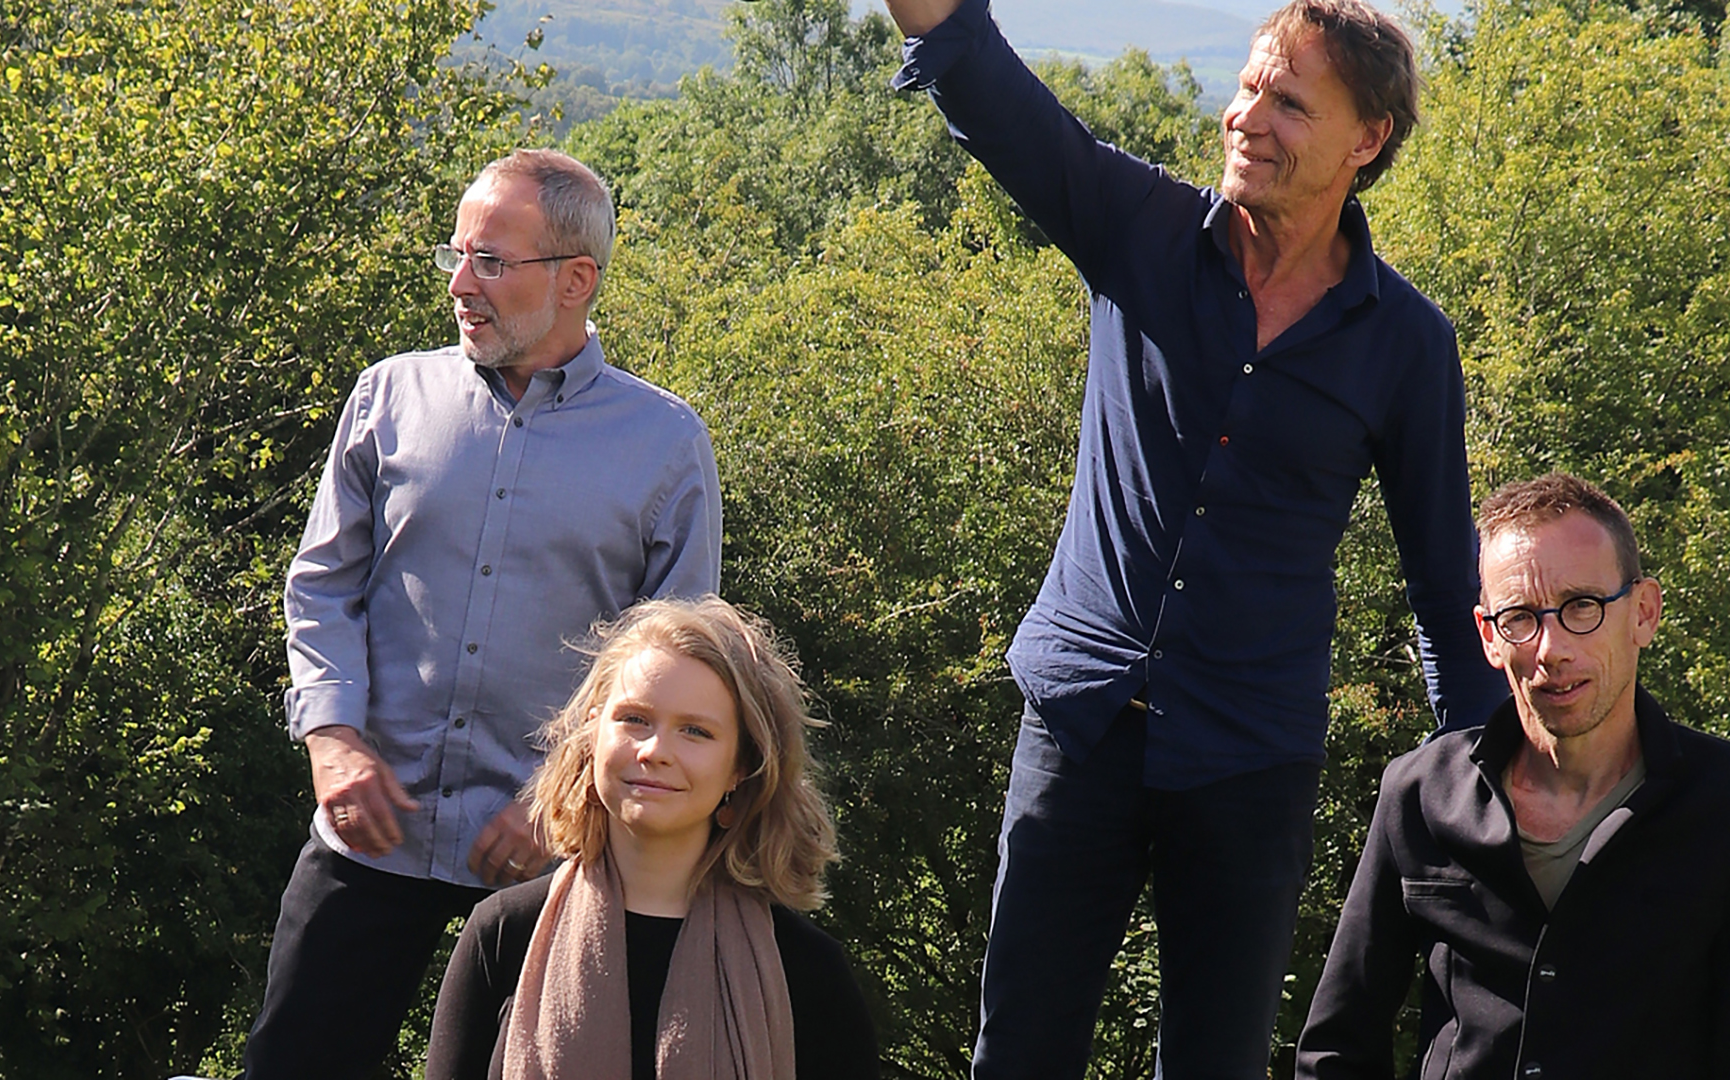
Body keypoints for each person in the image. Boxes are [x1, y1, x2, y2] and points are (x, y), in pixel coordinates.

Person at [879, 0, 1508, 1073]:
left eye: (1290, 102)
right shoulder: (1145, 230)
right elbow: (995, 94)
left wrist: (1500, 785)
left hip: (1251, 761)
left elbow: (1446, 592)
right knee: (1018, 1053)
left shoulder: (1406, 345)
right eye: (1250, 85)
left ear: (1368, 141)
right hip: (1076, 727)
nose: (1247, 117)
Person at [242, 149, 723, 1079]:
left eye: (492, 262)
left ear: (576, 279)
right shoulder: (389, 395)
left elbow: (674, 670)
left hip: (547, 861)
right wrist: (332, 739)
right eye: (456, 256)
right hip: (367, 832)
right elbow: (321, 584)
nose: (462, 284)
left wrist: (562, 800)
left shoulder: (665, 445)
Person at [1296, 472, 1730, 1079]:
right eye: (1520, 618)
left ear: (1644, 612)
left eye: (1581, 608)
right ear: (1489, 637)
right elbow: (1336, 1049)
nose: (1551, 648)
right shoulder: (1420, 796)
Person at [423, 596, 878, 1080]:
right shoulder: (503, 935)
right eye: (635, 719)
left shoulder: (806, 971)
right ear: (593, 732)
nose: (655, 751)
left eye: (695, 731)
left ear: (740, 769)